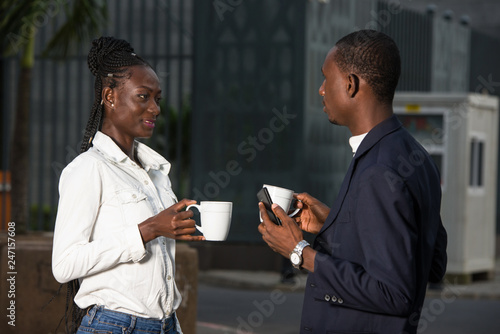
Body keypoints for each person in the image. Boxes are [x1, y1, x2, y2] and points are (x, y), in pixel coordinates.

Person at [258, 30, 447, 333]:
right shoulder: (416, 157)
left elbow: (394, 293)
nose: (321, 90)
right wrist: (336, 223)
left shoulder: (377, 169)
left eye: (326, 78)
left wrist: (300, 252)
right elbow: (430, 264)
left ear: (350, 84)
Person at [52, 36, 204, 334]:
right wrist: (148, 230)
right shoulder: (88, 169)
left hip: (166, 325)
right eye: (143, 97)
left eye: (157, 99)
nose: (155, 109)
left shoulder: (157, 173)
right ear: (109, 97)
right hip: (115, 326)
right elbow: (65, 264)